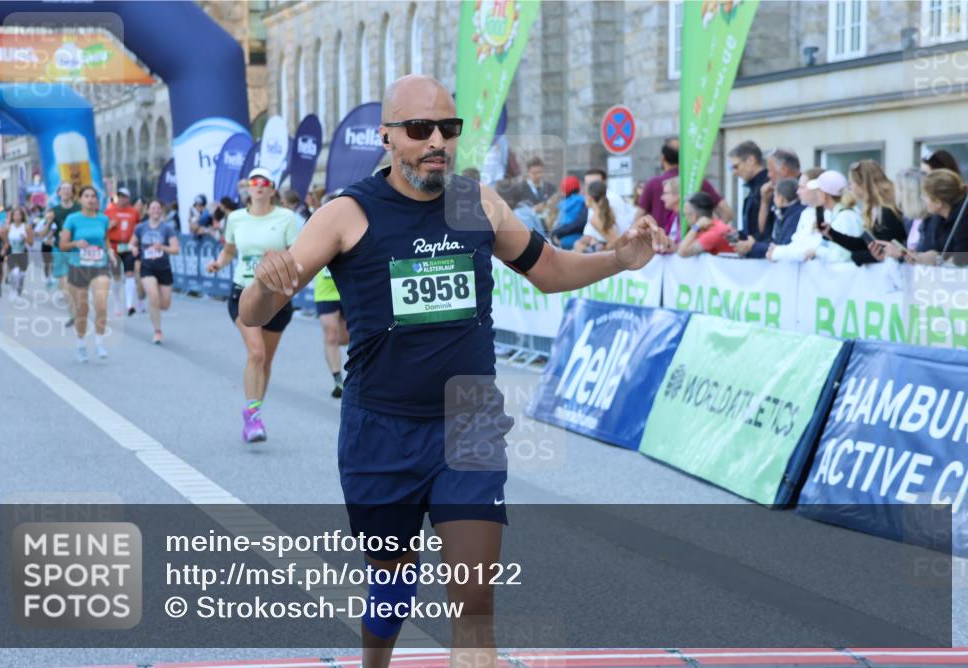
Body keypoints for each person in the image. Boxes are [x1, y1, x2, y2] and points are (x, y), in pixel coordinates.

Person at [237, 75, 665, 668]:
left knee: (474, 601)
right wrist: (265, 286)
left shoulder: (475, 202)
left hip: (469, 424)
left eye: (448, 127)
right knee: (391, 594)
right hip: (380, 429)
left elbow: (549, 270)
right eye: (419, 129)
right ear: (387, 137)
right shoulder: (347, 214)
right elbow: (254, 312)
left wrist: (619, 259)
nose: (436, 141)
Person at [205, 167, 300, 443]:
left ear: (272, 189)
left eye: (264, 182)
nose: (258, 186)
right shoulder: (235, 218)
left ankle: (254, 411)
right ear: (248, 189)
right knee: (256, 353)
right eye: (254, 182)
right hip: (243, 292)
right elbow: (230, 250)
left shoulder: (286, 218)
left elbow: (296, 253)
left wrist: (281, 258)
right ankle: (253, 415)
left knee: (266, 359)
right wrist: (219, 263)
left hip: (276, 296)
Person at [60, 185, 115, 362]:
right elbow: (63, 245)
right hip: (79, 266)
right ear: (80, 199)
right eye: (86, 196)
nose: (90, 199)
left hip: (99, 265)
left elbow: (105, 239)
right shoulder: (72, 219)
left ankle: (99, 343)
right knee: (82, 309)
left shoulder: (103, 219)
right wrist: (76, 244)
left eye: (93, 196)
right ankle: (81, 344)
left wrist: (111, 253)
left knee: (101, 305)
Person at [878, 168, 968, 266]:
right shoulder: (941, 218)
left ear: (938, 203)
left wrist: (938, 260)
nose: (923, 200)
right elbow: (938, 251)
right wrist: (918, 257)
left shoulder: (965, 214)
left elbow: (963, 257)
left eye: (925, 197)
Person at [820, 160, 906, 265]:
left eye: (852, 183)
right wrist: (831, 233)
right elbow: (865, 245)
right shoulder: (875, 209)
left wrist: (858, 257)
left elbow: (883, 252)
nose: (850, 188)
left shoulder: (887, 212)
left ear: (863, 184)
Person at [638, 138, 731, 230]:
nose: (662, 197)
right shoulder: (697, 181)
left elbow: (638, 219)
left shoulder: (653, 184)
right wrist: (711, 233)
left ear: (662, 157)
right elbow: (727, 213)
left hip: (663, 239)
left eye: (665, 193)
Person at [313, 192, 349, 398]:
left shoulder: (351, 229)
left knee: (345, 338)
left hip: (347, 291)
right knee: (331, 335)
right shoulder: (315, 230)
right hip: (325, 292)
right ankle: (338, 381)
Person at [130, 199, 179, 344]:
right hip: (147, 267)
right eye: (153, 208)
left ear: (162, 211)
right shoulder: (140, 227)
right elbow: (131, 243)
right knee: (153, 297)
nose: (156, 210)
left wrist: (162, 247)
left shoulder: (167, 228)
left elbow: (176, 249)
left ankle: (146, 294)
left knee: (164, 305)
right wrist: (133, 248)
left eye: (158, 208)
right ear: (147, 210)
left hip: (164, 268)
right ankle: (158, 332)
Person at [804, 171, 864, 263]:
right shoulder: (841, 215)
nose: (816, 195)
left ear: (824, 195)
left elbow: (842, 256)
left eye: (818, 191)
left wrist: (817, 252)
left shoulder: (845, 217)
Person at [767, 168, 825, 262]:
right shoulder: (806, 213)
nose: (798, 192)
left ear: (815, 189)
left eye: (802, 187)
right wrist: (777, 251)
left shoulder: (828, 214)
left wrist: (778, 252)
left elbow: (810, 249)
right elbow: (797, 243)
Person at [738, 178, 804, 259]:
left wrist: (754, 246)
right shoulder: (787, 213)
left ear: (781, 199)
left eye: (774, 195)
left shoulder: (794, 215)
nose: (773, 199)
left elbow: (782, 244)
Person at [751, 148, 801, 246]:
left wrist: (753, 247)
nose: (768, 175)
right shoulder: (774, 190)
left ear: (784, 170)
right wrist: (764, 201)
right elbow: (763, 231)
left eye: (770, 170)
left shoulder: (804, 193)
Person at [106, 186, 142, 316]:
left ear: (128, 198)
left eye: (124, 196)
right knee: (116, 276)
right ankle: (117, 301)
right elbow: (102, 229)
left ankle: (129, 304)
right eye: (120, 196)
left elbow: (138, 229)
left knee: (130, 273)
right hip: (114, 246)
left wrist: (136, 244)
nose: (122, 199)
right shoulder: (109, 211)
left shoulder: (134, 212)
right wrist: (109, 226)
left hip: (128, 246)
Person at [50, 182, 81, 328]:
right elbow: (42, 233)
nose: (66, 191)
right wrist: (47, 222)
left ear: (72, 192)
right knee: (65, 287)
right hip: (59, 250)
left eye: (69, 189)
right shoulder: (54, 211)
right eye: (64, 189)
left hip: (75, 250)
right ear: (59, 192)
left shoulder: (79, 208)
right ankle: (73, 316)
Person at [728, 140, 770, 239]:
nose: (734, 172)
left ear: (751, 160)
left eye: (736, 166)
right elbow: (751, 231)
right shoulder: (753, 188)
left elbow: (766, 231)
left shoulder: (768, 186)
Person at [675, 192, 736, 257]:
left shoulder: (713, 232)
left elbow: (682, 252)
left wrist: (696, 226)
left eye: (686, 215)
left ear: (694, 215)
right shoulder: (712, 227)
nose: (685, 219)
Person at [574, 180, 622, 252]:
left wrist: (600, 247)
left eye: (585, 195)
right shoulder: (605, 212)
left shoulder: (596, 218)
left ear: (590, 198)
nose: (584, 197)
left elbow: (614, 241)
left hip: (607, 254)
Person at [550, 175, 587, 249]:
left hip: (562, 235)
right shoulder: (583, 200)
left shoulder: (563, 203)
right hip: (577, 234)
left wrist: (555, 232)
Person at [5, 205, 33, 298]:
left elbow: (31, 243)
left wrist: (25, 238)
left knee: (21, 275)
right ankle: (14, 290)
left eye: (19, 215)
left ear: (22, 216)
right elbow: (4, 240)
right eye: (15, 215)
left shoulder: (27, 227)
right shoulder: (9, 227)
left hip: (23, 253)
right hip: (12, 253)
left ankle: (19, 290)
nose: (17, 217)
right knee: (15, 272)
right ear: (12, 216)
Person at [896, 168, 928, 250]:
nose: (897, 194)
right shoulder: (909, 218)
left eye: (900, 190)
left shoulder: (932, 220)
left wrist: (900, 254)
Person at [35, 208, 57, 286]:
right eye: (49, 214)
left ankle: (53, 275)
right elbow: (37, 233)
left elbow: (54, 232)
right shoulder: (42, 222)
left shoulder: (55, 223)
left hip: (53, 244)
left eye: (52, 214)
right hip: (45, 244)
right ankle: (46, 276)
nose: (50, 216)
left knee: (53, 260)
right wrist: (47, 224)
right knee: (46, 261)